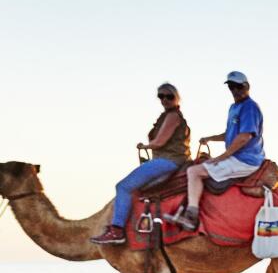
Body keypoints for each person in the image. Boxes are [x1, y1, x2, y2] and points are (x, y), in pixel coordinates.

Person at [91, 83, 191, 246]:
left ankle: (117, 231)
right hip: (170, 160)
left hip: (168, 161)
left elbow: (159, 142)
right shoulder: (167, 116)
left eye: (169, 96)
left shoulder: (173, 116)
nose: (164, 100)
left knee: (123, 187)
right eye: (161, 96)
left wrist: (143, 146)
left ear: (177, 98)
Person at [172, 71, 264, 229]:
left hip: (245, 160)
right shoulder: (234, 107)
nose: (235, 90)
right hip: (238, 157)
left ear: (247, 86)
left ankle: (191, 216)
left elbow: (244, 137)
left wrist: (222, 157)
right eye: (231, 87)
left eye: (238, 86)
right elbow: (230, 134)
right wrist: (210, 138)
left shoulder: (249, 107)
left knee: (194, 172)